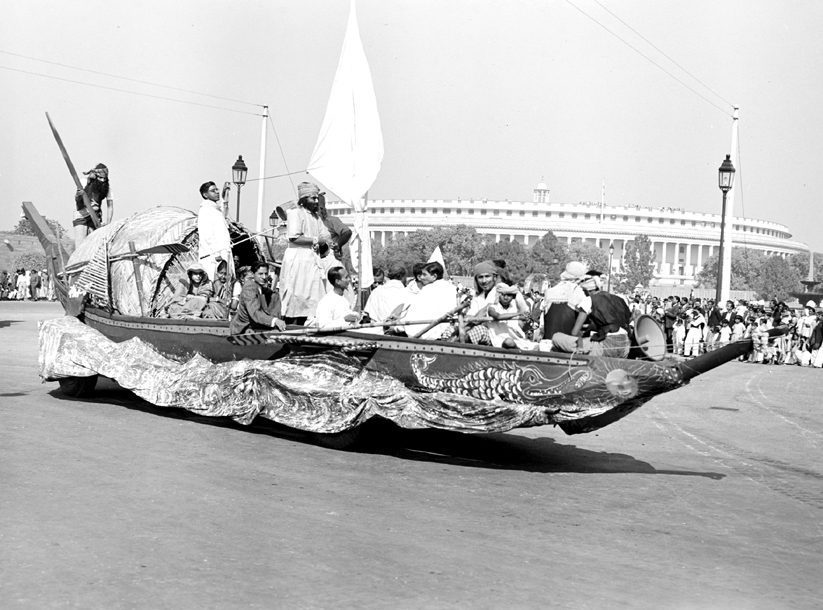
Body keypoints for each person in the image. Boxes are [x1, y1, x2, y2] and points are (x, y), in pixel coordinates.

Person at [279, 182, 330, 325]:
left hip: (312, 260)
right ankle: (289, 329)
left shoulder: (316, 217)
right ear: (304, 199)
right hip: (297, 259)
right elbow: (294, 237)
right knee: (295, 297)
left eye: (316, 199)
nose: (316, 201)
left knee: (312, 299)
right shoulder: (295, 213)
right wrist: (316, 240)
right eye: (313, 198)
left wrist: (324, 243)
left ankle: (302, 328)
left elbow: (324, 236)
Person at [551, 271, 631, 357]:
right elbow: (628, 319)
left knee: (556, 337)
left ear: (587, 291)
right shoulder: (620, 299)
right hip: (625, 344)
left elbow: (574, 332)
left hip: (606, 345)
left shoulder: (589, 300)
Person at [397, 262, 458, 339]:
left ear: (434, 276)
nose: (421, 277)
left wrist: (397, 326)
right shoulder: (452, 288)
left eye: (424, 274)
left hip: (428, 334)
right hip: (445, 333)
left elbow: (414, 314)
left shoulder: (427, 290)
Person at [230, 261, 286, 334]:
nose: (264, 277)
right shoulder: (249, 288)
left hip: (256, 325)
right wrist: (274, 321)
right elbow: (255, 313)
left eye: (266, 274)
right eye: (260, 274)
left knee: (274, 295)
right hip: (243, 328)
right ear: (253, 274)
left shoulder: (261, 288)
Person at [541, 261, 589, 344]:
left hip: (548, 341)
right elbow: (584, 312)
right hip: (566, 344)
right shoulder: (577, 291)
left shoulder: (550, 291)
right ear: (579, 278)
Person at [197, 181, 233, 286]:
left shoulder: (215, 209)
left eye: (217, 190)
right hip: (213, 254)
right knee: (213, 280)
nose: (216, 192)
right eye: (213, 191)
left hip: (223, 251)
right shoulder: (205, 210)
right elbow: (207, 234)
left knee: (225, 283)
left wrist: (225, 191)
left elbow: (224, 206)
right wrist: (216, 254)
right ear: (205, 195)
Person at [73, 163, 114, 246]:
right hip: (81, 215)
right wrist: (78, 194)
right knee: (80, 246)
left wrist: (108, 224)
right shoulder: (84, 182)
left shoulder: (107, 188)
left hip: (96, 217)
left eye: (104, 178)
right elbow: (77, 199)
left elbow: (110, 206)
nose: (102, 180)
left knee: (96, 245)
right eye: (100, 178)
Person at [363, 262, 410, 328]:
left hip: (378, 332)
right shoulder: (408, 293)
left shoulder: (376, 291)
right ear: (403, 277)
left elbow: (368, 313)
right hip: (401, 333)